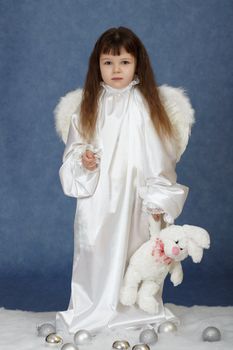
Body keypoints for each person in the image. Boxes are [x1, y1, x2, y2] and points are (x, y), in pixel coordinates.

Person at [55, 27, 189, 334]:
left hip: (136, 198)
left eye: (124, 63)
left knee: (138, 253)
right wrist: (84, 161)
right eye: (108, 62)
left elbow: (161, 158)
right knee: (96, 250)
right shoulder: (87, 108)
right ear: (97, 65)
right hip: (99, 198)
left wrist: (158, 199)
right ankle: (93, 307)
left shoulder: (147, 107)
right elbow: (74, 151)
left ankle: (134, 309)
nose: (116, 70)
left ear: (137, 64)